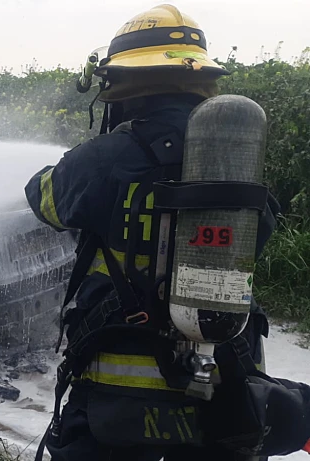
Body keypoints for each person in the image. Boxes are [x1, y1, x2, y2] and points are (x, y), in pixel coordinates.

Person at [25, 4, 310, 461]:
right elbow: (263, 228)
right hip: (228, 383)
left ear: (123, 83)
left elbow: (45, 201)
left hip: (115, 392)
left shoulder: (106, 155)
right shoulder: (234, 157)